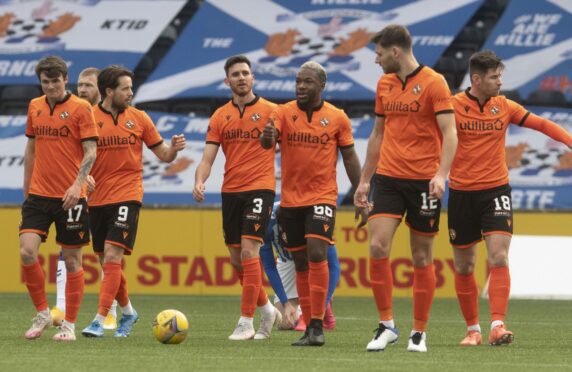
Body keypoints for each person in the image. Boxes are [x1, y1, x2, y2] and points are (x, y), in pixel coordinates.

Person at [448, 50, 572, 347]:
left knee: (499, 256)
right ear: (476, 79)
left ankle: (497, 325)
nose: (500, 82)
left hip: (496, 190)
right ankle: (472, 330)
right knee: (464, 266)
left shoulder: (504, 106)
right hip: (462, 193)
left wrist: (569, 141)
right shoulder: (451, 107)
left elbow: (541, 124)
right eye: (494, 77)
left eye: (500, 76)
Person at [353, 24, 458, 353]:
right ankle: (386, 326)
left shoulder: (435, 83)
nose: (376, 59)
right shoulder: (384, 83)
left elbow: (451, 133)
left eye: (379, 53)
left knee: (421, 256)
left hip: (425, 182)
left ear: (395, 51)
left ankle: (419, 332)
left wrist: (441, 175)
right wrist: (365, 180)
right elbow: (377, 135)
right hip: (389, 178)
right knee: (378, 246)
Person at [261, 61, 367, 347]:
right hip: (291, 202)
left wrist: (361, 192)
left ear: (321, 85)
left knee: (318, 252)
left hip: (322, 197)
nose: (301, 86)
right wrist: (267, 137)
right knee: (301, 262)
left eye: (307, 82)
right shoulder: (282, 112)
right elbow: (266, 142)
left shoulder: (337, 117)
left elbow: (349, 157)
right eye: (298, 81)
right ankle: (309, 326)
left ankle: (317, 325)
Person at [80, 65, 186, 338]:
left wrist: (173, 148)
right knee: (107, 262)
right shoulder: (88, 117)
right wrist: (81, 177)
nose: (131, 92)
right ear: (108, 91)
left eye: (131, 87)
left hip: (128, 194)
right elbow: (72, 156)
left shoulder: (139, 118)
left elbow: (163, 155)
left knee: (114, 256)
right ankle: (128, 312)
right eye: (125, 88)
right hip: (97, 198)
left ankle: (99, 319)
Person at [193, 55, 282, 341]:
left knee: (248, 253)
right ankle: (267, 309)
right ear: (227, 80)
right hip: (231, 191)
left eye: (246, 73)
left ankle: (246, 321)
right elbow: (207, 158)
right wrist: (199, 180)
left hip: (261, 187)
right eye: (236, 74)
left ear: (253, 78)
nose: (241, 77)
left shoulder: (272, 111)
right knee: (237, 260)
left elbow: (290, 149)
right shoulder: (220, 116)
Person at [20, 55, 98, 341]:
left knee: (74, 261)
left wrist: (78, 185)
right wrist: (26, 189)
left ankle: (69, 325)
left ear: (66, 80)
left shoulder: (81, 108)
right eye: (45, 82)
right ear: (40, 82)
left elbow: (91, 151)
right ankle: (42, 312)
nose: (50, 86)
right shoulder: (34, 106)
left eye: (55, 81)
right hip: (39, 195)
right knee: (27, 251)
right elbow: (31, 148)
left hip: (72, 197)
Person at [51, 67, 120, 330]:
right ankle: (61, 306)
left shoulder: (110, 116)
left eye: (88, 85)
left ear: (102, 89)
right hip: (75, 190)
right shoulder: (72, 113)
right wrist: (79, 178)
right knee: (67, 247)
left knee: (106, 253)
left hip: (106, 193)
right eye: (80, 85)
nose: (82, 90)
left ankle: (110, 311)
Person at [260, 201, 340, 331]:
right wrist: (285, 303)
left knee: (315, 260)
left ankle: (321, 307)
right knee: (284, 323)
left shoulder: (314, 219)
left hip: (309, 260)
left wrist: (324, 303)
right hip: (286, 259)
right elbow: (269, 266)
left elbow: (334, 266)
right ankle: (306, 308)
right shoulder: (266, 223)